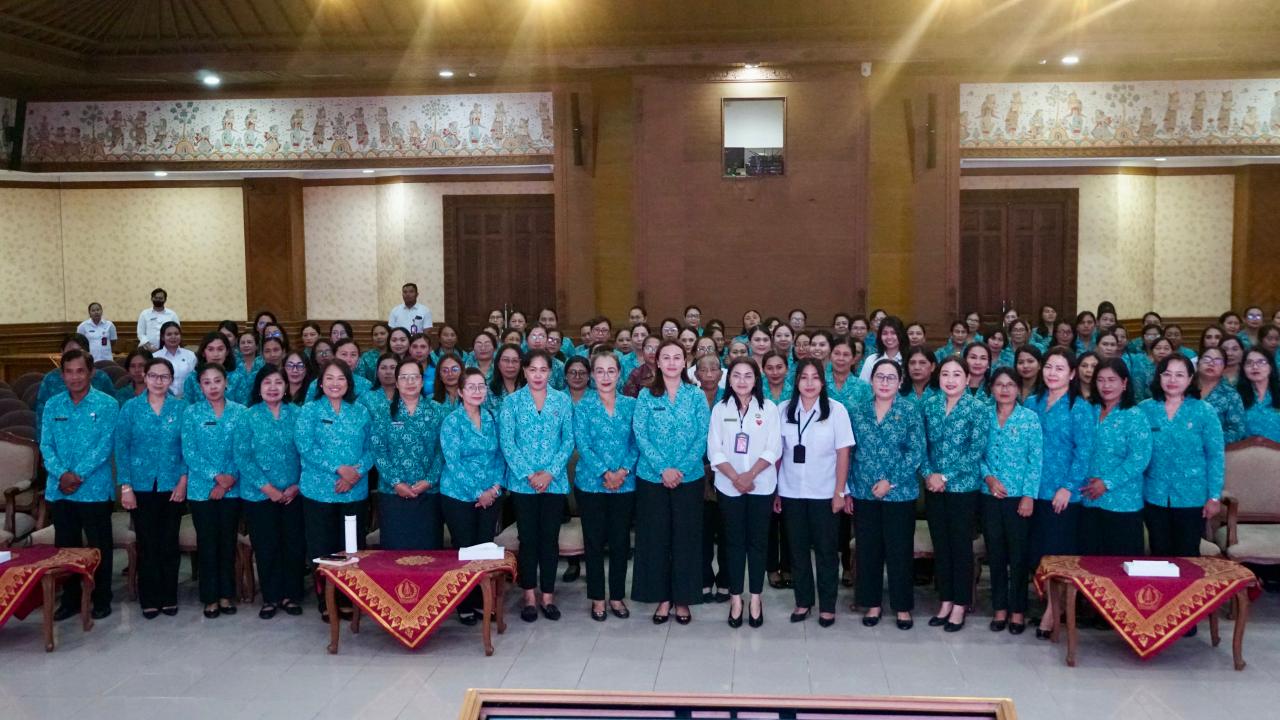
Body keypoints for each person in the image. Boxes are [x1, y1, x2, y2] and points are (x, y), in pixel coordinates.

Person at [632, 340, 710, 625]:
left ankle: (682, 599)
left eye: (678, 357)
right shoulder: (645, 396)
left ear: (685, 361)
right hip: (652, 479)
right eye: (667, 357)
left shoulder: (696, 395)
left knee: (685, 540)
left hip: (688, 479)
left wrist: (680, 469)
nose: (672, 362)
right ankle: (662, 598)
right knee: (656, 540)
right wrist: (663, 468)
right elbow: (640, 434)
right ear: (658, 362)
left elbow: (703, 435)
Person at [40, 349, 119, 621]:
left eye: (80, 371)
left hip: (94, 488)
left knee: (99, 547)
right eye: (69, 372)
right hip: (61, 490)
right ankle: (71, 599)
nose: (74, 377)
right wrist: (62, 474)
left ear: (91, 372)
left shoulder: (108, 404)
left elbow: (105, 446)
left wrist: (77, 475)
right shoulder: (52, 405)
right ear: (62, 374)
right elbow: (45, 445)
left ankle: (101, 598)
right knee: (67, 548)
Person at [294, 360, 374, 620]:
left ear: (348, 383)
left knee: (351, 547)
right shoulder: (309, 411)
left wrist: (355, 474)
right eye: (329, 378)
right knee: (323, 547)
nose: (335, 383)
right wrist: (339, 469)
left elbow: (371, 447)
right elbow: (305, 447)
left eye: (341, 378)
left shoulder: (360, 411)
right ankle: (326, 600)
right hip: (319, 491)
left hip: (354, 490)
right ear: (320, 382)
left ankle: (349, 597)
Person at [499, 350, 575, 622]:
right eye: (533, 370)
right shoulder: (512, 403)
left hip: (553, 484)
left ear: (550, 372)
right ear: (524, 371)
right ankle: (529, 595)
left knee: (549, 540)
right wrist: (530, 474)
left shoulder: (562, 401)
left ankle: (548, 596)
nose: (538, 375)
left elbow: (568, 441)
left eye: (544, 370)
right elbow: (508, 443)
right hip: (523, 484)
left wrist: (550, 473)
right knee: (528, 539)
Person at [776, 359, 852, 628]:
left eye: (815, 378)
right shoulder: (783, 410)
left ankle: (828, 605)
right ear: (796, 382)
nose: (809, 383)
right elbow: (777, 454)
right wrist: (776, 490)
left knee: (826, 551)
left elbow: (843, 453)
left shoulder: (836, 411)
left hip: (825, 491)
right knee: (797, 550)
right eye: (804, 378)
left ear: (823, 381)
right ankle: (803, 600)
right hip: (791, 491)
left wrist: (840, 491)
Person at [850, 358, 924, 630]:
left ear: (900, 381)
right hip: (863, 492)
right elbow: (850, 451)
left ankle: (902, 606)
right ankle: (872, 603)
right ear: (871, 380)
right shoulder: (857, 411)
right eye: (879, 377)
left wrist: (889, 481)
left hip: (899, 493)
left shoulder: (909, 411)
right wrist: (849, 488)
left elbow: (915, 451)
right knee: (868, 550)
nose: (884, 382)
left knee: (899, 551)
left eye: (890, 377)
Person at [1026, 348, 1094, 639]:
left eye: (1059, 368)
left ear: (1073, 373)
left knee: (1058, 556)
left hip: (1063, 494)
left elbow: (1085, 452)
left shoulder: (1079, 407)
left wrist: (1068, 486)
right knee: (1036, 553)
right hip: (1032, 490)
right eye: (1049, 367)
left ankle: (1054, 613)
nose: (1052, 373)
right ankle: (1047, 604)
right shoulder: (1031, 403)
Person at [707, 358, 780, 629]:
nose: (741, 380)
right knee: (734, 543)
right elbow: (715, 449)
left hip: (761, 485)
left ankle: (756, 598)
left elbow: (774, 447)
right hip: (729, 486)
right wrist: (736, 477)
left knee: (758, 543)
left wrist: (750, 475)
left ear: (756, 379)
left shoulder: (769, 409)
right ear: (729, 379)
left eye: (748, 375)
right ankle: (736, 598)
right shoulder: (720, 409)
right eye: (736, 375)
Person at [921, 356, 990, 632]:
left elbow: (975, 451)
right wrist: (929, 474)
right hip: (933, 487)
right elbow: (920, 445)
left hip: (963, 488)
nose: (950, 380)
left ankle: (960, 604)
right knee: (942, 545)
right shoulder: (929, 405)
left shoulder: (978, 408)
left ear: (966, 379)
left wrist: (946, 477)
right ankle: (946, 600)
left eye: (956, 375)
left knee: (960, 547)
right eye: (946, 374)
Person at [115, 357, 186, 619]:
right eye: (153, 376)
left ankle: (169, 596)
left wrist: (183, 480)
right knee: (147, 544)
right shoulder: (131, 409)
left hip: (172, 484)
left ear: (171, 380)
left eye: (164, 377)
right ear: (144, 377)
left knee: (169, 543)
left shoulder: (180, 408)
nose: (158, 381)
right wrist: (126, 487)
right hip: (140, 486)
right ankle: (149, 597)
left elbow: (186, 449)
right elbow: (121, 449)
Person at [235, 365, 306, 619]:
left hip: (294, 492)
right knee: (266, 546)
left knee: (293, 545)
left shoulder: (298, 414)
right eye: (267, 383)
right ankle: (271, 597)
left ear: (286, 387)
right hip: (259, 494)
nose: (273, 387)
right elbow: (242, 457)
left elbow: (307, 452)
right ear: (259, 388)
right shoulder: (248, 416)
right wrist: (269, 489)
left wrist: (296, 485)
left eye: (278, 382)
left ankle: (291, 595)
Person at [574, 351, 638, 621]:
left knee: (621, 542)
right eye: (599, 371)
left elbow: (637, 442)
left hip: (625, 483)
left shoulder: (631, 405)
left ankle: (617, 597)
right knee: (594, 542)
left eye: (611, 371)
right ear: (592, 376)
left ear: (619, 374)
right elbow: (582, 444)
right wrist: (604, 473)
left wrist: (622, 471)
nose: (605, 377)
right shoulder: (582, 406)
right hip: (591, 484)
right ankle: (598, 598)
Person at [439, 368, 506, 625]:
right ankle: (464, 603)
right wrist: (479, 492)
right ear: (461, 392)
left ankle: (482, 601)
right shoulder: (452, 422)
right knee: (465, 548)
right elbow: (453, 463)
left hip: (491, 494)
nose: (477, 391)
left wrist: (494, 490)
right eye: (472, 387)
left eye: (481, 386)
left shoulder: (492, 418)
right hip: (458, 496)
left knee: (484, 547)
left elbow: (501, 455)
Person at [1142, 354, 1224, 561]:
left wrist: (1214, 496)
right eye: (1167, 374)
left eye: (1179, 375)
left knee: (1187, 555)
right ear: (1158, 377)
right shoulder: (1144, 409)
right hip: (1154, 494)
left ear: (1189, 379)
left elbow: (1215, 456)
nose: (1172, 380)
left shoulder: (1204, 411)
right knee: (1158, 552)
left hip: (1191, 496)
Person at [181, 363, 246, 619]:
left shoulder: (241, 413)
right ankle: (209, 597)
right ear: (200, 386)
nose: (212, 387)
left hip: (233, 487)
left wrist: (227, 480)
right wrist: (216, 478)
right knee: (207, 543)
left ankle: (227, 594)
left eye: (217, 381)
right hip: (202, 490)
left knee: (227, 542)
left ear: (226, 382)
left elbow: (243, 450)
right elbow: (190, 452)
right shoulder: (192, 413)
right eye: (206, 382)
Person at [980, 367, 1041, 635]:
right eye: (999, 385)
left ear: (1019, 389)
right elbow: (976, 453)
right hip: (990, 495)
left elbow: (1035, 460)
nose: (1004, 390)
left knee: (1018, 556)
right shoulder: (983, 416)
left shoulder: (1030, 419)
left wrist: (1029, 495)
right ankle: (999, 608)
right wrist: (989, 478)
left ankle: (1018, 610)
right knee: (995, 554)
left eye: (1010, 385)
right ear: (991, 388)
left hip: (1019, 498)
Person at [1079, 358, 1152, 557]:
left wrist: (1107, 483)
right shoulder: (1088, 410)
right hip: (1088, 498)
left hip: (1122, 502)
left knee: (1119, 566)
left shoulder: (1135, 415)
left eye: (1112, 380)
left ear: (1125, 383)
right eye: (1101, 380)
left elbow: (1139, 459)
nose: (1106, 385)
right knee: (1090, 565)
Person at [372, 359, 445, 550]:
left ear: (422, 382)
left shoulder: (437, 411)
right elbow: (379, 451)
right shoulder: (383, 412)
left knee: (428, 555)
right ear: (396, 383)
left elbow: (442, 451)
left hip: (429, 493)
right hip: (392, 493)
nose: (410, 382)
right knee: (395, 554)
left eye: (415, 377)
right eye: (404, 378)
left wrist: (429, 480)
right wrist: (396, 482)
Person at [1197, 346, 1245, 444]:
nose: (1211, 363)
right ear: (1198, 363)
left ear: (1224, 368)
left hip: (1216, 451)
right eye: (1206, 359)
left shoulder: (1231, 395)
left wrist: (1207, 440)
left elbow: (1237, 431)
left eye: (1218, 361)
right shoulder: (1183, 389)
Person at [183, 332, 247, 405]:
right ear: (203, 353)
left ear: (227, 352)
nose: (216, 354)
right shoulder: (192, 378)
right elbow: (187, 407)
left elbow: (243, 408)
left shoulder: (238, 378)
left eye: (220, 349)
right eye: (210, 349)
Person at [1240, 347, 1280, 442]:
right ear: (1243, 369)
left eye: (1261, 362)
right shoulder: (1236, 397)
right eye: (1249, 363)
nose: (1255, 367)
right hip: (1246, 453)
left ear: (1270, 367)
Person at [154, 321, 197, 397]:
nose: (173, 337)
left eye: (176, 334)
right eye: (169, 334)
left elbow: (194, 380)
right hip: (163, 399)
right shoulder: (155, 357)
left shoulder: (190, 355)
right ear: (162, 337)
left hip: (187, 399)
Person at [859, 317, 905, 382]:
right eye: (885, 333)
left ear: (901, 335)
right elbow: (863, 387)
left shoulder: (909, 360)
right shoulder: (871, 360)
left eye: (893, 333)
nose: (889, 337)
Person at [136, 288, 179, 352]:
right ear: (151, 298)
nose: (158, 300)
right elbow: (141, 334)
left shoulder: (172, 314)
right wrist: (149, 347)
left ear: (165, 300)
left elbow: (176, 332)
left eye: (160, 298)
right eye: (156, 298)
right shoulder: (144, 314)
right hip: (147, 350)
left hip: (168, 349)